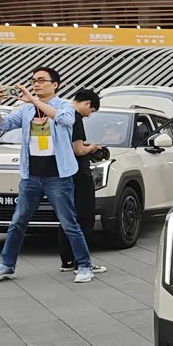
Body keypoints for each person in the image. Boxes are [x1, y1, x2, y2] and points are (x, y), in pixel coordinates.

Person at [0, 67, 96, 283]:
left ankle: (84, 265)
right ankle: (7, 265)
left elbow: (66, 120)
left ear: (55, 84)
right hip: (31, 175)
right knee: (17, 222)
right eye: (34, 80)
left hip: (58, 175)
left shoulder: (64, 106)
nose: (36, 84)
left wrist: (34, 101)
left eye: (41, 80)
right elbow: (0, 124)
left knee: (69, 223)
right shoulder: (26, 110)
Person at [57, 89, 107, 274]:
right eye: (91, 111)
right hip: (79, 174)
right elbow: (78, 150)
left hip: (63, 173)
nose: (89, 115)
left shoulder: (61, 115)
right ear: (87, 103)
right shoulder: (75, 118)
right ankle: (82, 262)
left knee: (67, 217)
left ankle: (67, 260)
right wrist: (91, 147)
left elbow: (68, 145)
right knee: (85, 218)